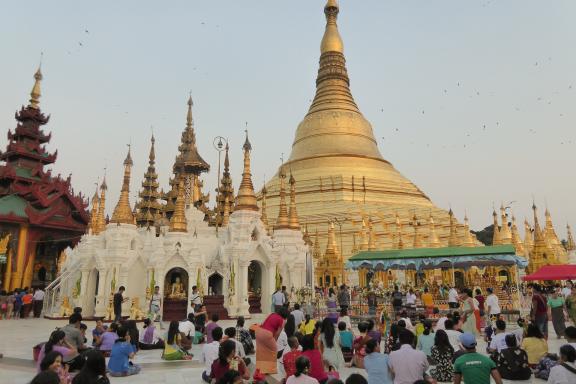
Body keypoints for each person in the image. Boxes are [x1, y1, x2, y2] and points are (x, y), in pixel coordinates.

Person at [256, 307, 288, 374]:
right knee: (274, 350)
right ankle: (270, 369)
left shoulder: (272, 314)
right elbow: (278, 333)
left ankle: (260, 369)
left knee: (262, 350)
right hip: (267, 333)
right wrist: (274, 341)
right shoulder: (282, 320)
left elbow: (263, 323)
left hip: (259, 332)